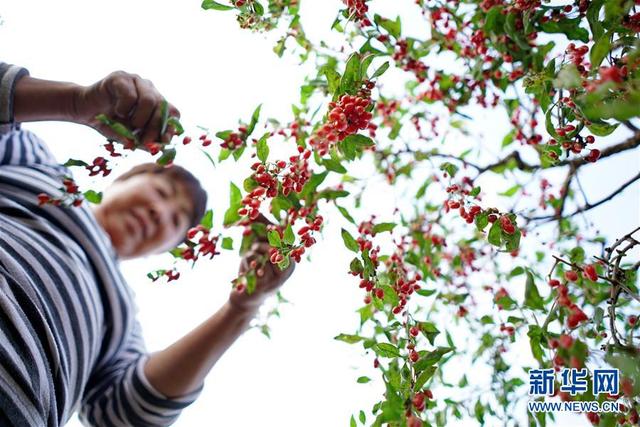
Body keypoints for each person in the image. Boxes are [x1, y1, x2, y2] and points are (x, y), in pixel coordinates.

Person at [0, 63, 294, 426]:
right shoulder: (42, 171)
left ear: (163, 250)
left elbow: (129, 415)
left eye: (175, 221)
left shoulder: (122, 320)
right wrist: (76, 102)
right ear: (123, 178)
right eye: (161, 191)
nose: (159, 211)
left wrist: (242, 307)